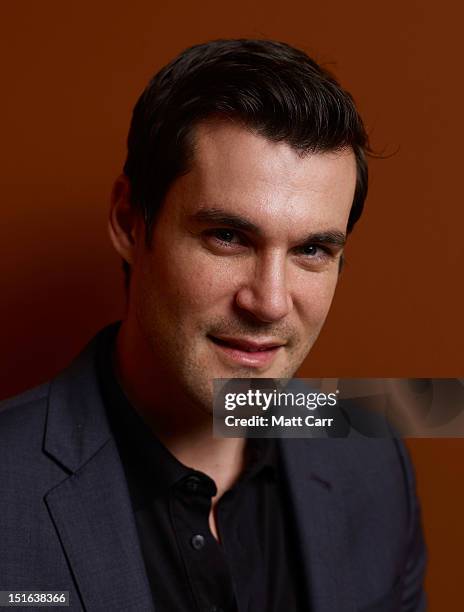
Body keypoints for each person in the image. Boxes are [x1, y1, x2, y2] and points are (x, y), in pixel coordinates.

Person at [0, 39, 426, 611]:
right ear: (130, 223)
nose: (270, 303)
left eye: (313, 249)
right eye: (227, 237)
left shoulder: (372, 459)